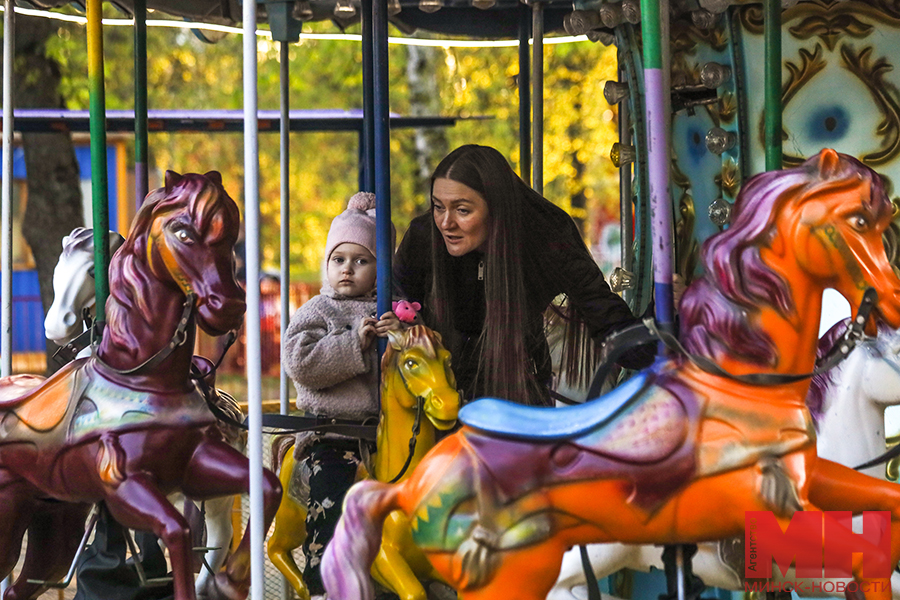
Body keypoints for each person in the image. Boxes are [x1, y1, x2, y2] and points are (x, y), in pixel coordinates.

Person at [393, 144, 656, 406]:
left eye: (462, 210)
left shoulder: (547, 238)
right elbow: (394, 302)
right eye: (438, 207)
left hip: (520, 397)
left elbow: (610, 324)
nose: (445, 223)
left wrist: (663, 313)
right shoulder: (423, 238)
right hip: (437, 396)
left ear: (496, 206)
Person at [282, 191, 400, 599]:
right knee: (330, 506)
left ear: (379, 268)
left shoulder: (390, 310)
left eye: (361, 260)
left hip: (383, 438)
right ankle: (322, 584)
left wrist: (405, 333)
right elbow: (301, 363)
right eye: (339, 259)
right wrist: (354, 344)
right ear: (326, 264)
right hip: (332, 436)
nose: (347, 269)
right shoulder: (318, 310)